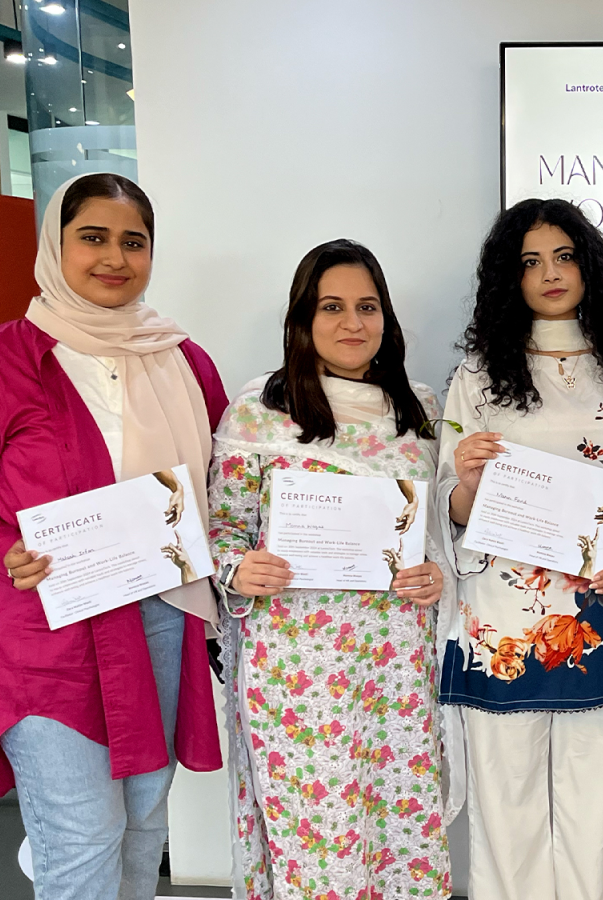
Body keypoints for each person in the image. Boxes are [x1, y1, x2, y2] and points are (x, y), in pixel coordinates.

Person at [0, 173, 226, 900]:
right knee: (82, 837)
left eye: (133, 242)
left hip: (164, 619)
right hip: (47, 635)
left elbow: (228, 487)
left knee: (144, 827)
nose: (115, 258)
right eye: (94, 237)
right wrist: (1, 548)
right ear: (56, 244)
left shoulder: (184, 361)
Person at [208, 240, 454, 898]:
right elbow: (222, 531)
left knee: (398, 836)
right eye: (333, 307)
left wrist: (434, 575)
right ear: (302, 320)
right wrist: (238, 569)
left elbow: (435, 537)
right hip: (294, 676)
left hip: (393, 671)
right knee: (315, 845)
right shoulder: (258, 413)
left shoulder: (421, 412)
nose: (353, 323)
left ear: (388, 319)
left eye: (368, 307)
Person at [435, 198, 603, 900]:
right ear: (510, 277)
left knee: (592, 813)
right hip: (499, 618)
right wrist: (464, 480)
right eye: (530, 262)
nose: (550, 273)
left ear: (588, 265)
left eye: (563, 256)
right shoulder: (477, 378)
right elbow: (450, 508)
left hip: (598, 617)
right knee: (507, 811)